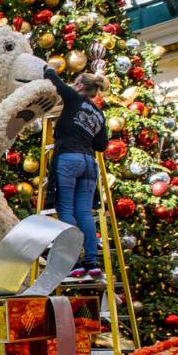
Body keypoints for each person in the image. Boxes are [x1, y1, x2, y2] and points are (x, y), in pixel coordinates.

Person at [43, 68, 109, 279]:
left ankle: (74, 260)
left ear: (80, 85)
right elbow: (101, 145)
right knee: (84, 213)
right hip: (89, 164)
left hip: (68, 159)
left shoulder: (74, 98)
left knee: (65, 210)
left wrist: (48, 68)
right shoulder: (98, 113)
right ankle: (91, 260)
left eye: (75, 83)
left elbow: (55, 81)